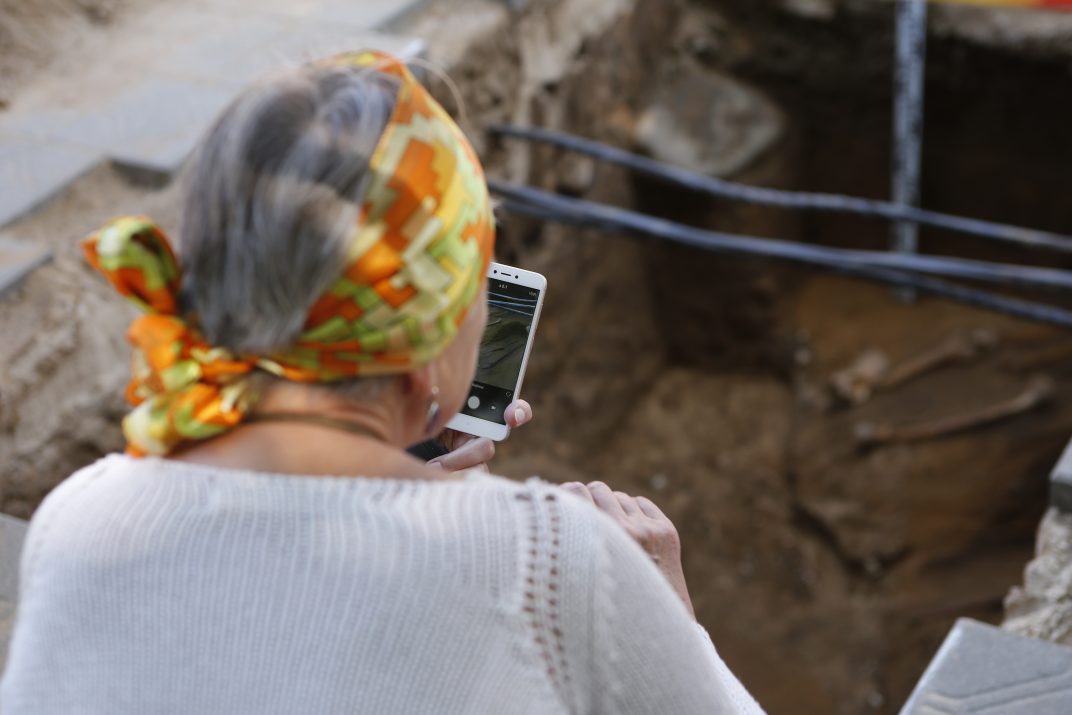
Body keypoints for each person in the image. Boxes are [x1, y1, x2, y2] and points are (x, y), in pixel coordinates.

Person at [0, 51, 764, 714]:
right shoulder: (557, 562)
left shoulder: (82, 519)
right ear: (436, 321)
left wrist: (397, 480)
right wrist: (669, 617)